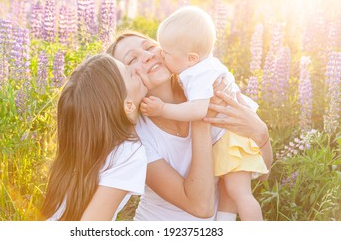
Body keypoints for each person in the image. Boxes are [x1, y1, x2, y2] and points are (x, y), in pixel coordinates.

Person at [106, 30, 273, 221]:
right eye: (131, 60)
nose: (147, 56)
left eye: (150, 47)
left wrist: (261, 134)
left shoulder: (208, 85)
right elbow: (201, 207)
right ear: (123, 81)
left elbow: (261, 174)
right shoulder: (137, 136)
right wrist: (201, 117)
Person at [41, 54, 148, 221]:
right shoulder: (129, 152)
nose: (136, 70)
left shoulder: (89, 146)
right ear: (127, 105)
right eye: (130, 73)